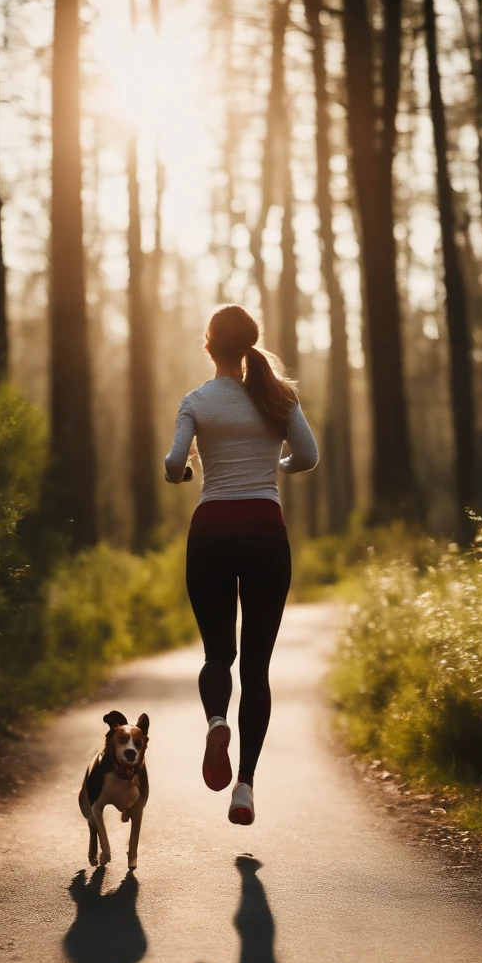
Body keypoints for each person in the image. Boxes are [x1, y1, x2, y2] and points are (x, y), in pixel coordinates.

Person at [164, 304, 319, 825]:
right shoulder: (277, 397)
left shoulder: (196, 401)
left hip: (210, 532)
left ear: (208, 346)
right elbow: (308, 455)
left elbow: (172, 464)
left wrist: (186, 473)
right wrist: (272, 464)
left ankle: (214, 721)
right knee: (256, 669)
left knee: (217, 654)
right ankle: (245, 787)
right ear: (251, 343)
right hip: (264, 533)